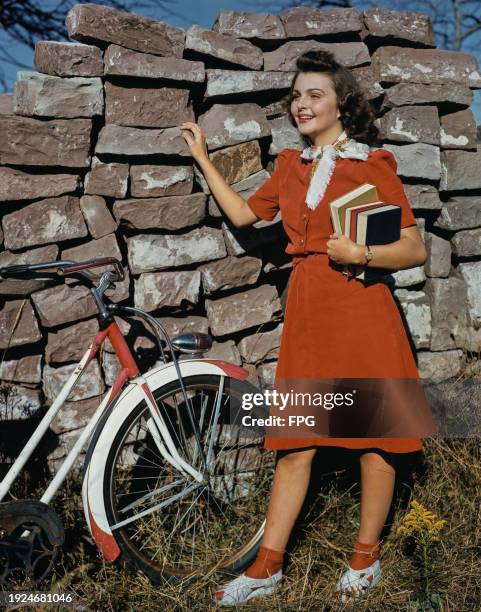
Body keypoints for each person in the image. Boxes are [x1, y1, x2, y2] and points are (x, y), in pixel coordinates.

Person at [180, 50, 437, 606]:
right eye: (296, 95)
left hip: (364, 310)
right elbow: (247, 217)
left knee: (376, 441)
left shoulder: (373, 164)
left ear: (342, 103)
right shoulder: (289, 169)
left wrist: (362, 250)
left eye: (314, 94)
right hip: (309, 314)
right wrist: (203, 158)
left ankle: (366, 559)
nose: (301, 103)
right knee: (295, 440)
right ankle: (267, 566)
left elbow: (413, 248)